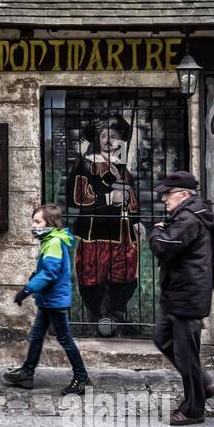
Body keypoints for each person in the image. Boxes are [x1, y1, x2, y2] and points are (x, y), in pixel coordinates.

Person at [148, 171, 214, 425]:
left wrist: (155, 232)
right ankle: (203, 383)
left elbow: (165, 248)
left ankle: (194, 409)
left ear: (183, 195)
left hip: (187, 295)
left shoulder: (189, 219)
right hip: (179, 292)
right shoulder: (186, 216)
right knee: (163, 338)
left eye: (168, 194)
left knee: (186, 352)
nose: (164, 199)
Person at [3, 204, 91, 396]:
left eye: (37, 221)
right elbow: (48, 269)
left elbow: (49, 273)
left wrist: (27, 290)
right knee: (36, 336)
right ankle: (27, 372)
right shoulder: (50, 240)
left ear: (50, 222)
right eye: (33, 221)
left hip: (55, 301)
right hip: (48, 299)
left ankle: (81, 377)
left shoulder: (53, 242)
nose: (33, 225)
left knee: (65, 339)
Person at [68, 116, 142, 337]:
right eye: (103, 136)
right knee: (92, 274)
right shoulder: (85, 163)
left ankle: (116, 314)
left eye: (113, 136)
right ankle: (99, 315)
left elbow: (131, 197)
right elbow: (78, 197)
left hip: (122, 232)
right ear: (97, 139)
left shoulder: (123, 168)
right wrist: (109, 198)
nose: (108, 140)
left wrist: (137, 222)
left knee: (125, 275)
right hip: (96, 230)